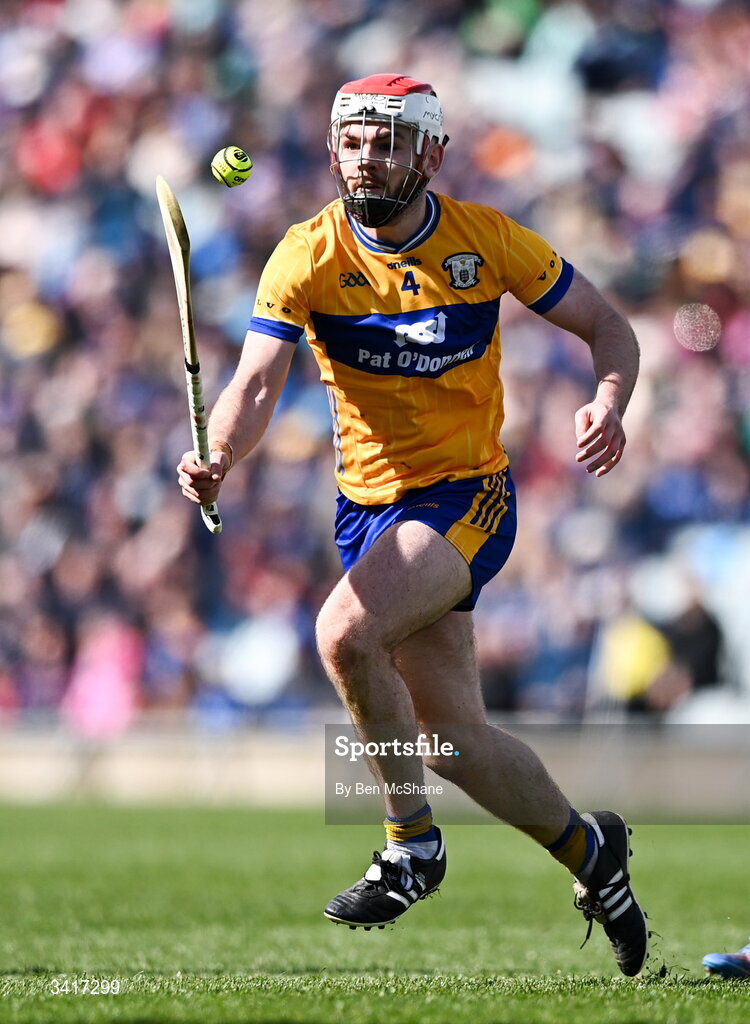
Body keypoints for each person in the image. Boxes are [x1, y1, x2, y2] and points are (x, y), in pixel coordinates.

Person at [177, 73, 647, 976]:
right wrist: (219, 456)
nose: (368, 157)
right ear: (332, 149)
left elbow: (608, 325)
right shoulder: (305, 255)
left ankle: (411, 845)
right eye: (354, 140)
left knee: (343, 632)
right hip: (368, 509)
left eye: (389, 141)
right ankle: (597, 857)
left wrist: (610, 401)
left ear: (431, 154)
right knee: (452, 742)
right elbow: (253, 386)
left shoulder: (486, 240)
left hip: (468, 496)